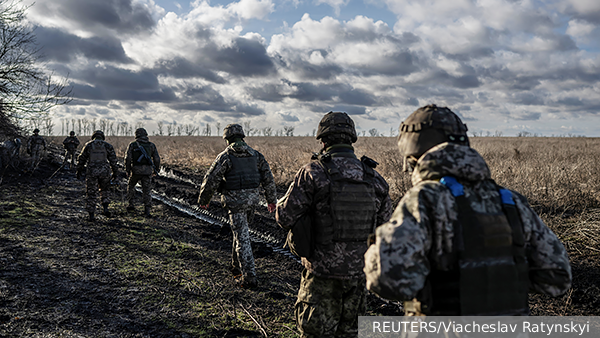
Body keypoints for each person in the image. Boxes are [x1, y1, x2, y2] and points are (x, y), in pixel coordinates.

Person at [364, 104, 572, 316]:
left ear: (412, 155)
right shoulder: (510, 201)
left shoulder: (424, 200)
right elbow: (556, 278)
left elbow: (387, 280)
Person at [276, 112, 393, 337]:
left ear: (323, 140)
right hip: (358, 277)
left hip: (321, 276)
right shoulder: (374, 178)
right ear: (351, 139)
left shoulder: (313, 172)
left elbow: (284, 217)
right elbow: (386, 231)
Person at [197, 123, 277, 288]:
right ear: (242, 137)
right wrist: (271, 200)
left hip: (234, 203)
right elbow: (268, 178)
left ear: (227, 139)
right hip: (252, 202)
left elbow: (211, 179)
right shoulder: (256, 155)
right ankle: (235, 268)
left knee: (242, 238)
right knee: (241, 233)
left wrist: (204, 200)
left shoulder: (225, 157)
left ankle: (249, 277)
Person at [76, 130, 119, 222]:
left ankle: (91, 214)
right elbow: (113, 161)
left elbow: (81, 159)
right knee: (105, 190)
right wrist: (115, 173)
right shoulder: (107, 146)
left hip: (92, 172)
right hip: (105, 172)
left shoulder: (89, 145)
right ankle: (105, 208)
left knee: (91, 192)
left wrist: (79, 170)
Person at [124, 128, 160, 217]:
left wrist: (127, 170)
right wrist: (156, 170)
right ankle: (147, 210)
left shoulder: (132, 145)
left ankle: (131, 204)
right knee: (146, 190)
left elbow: (127, 158)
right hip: (147, 171)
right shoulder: (151, 145)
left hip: (135, 171)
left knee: (131, 186)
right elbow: (157, 159)